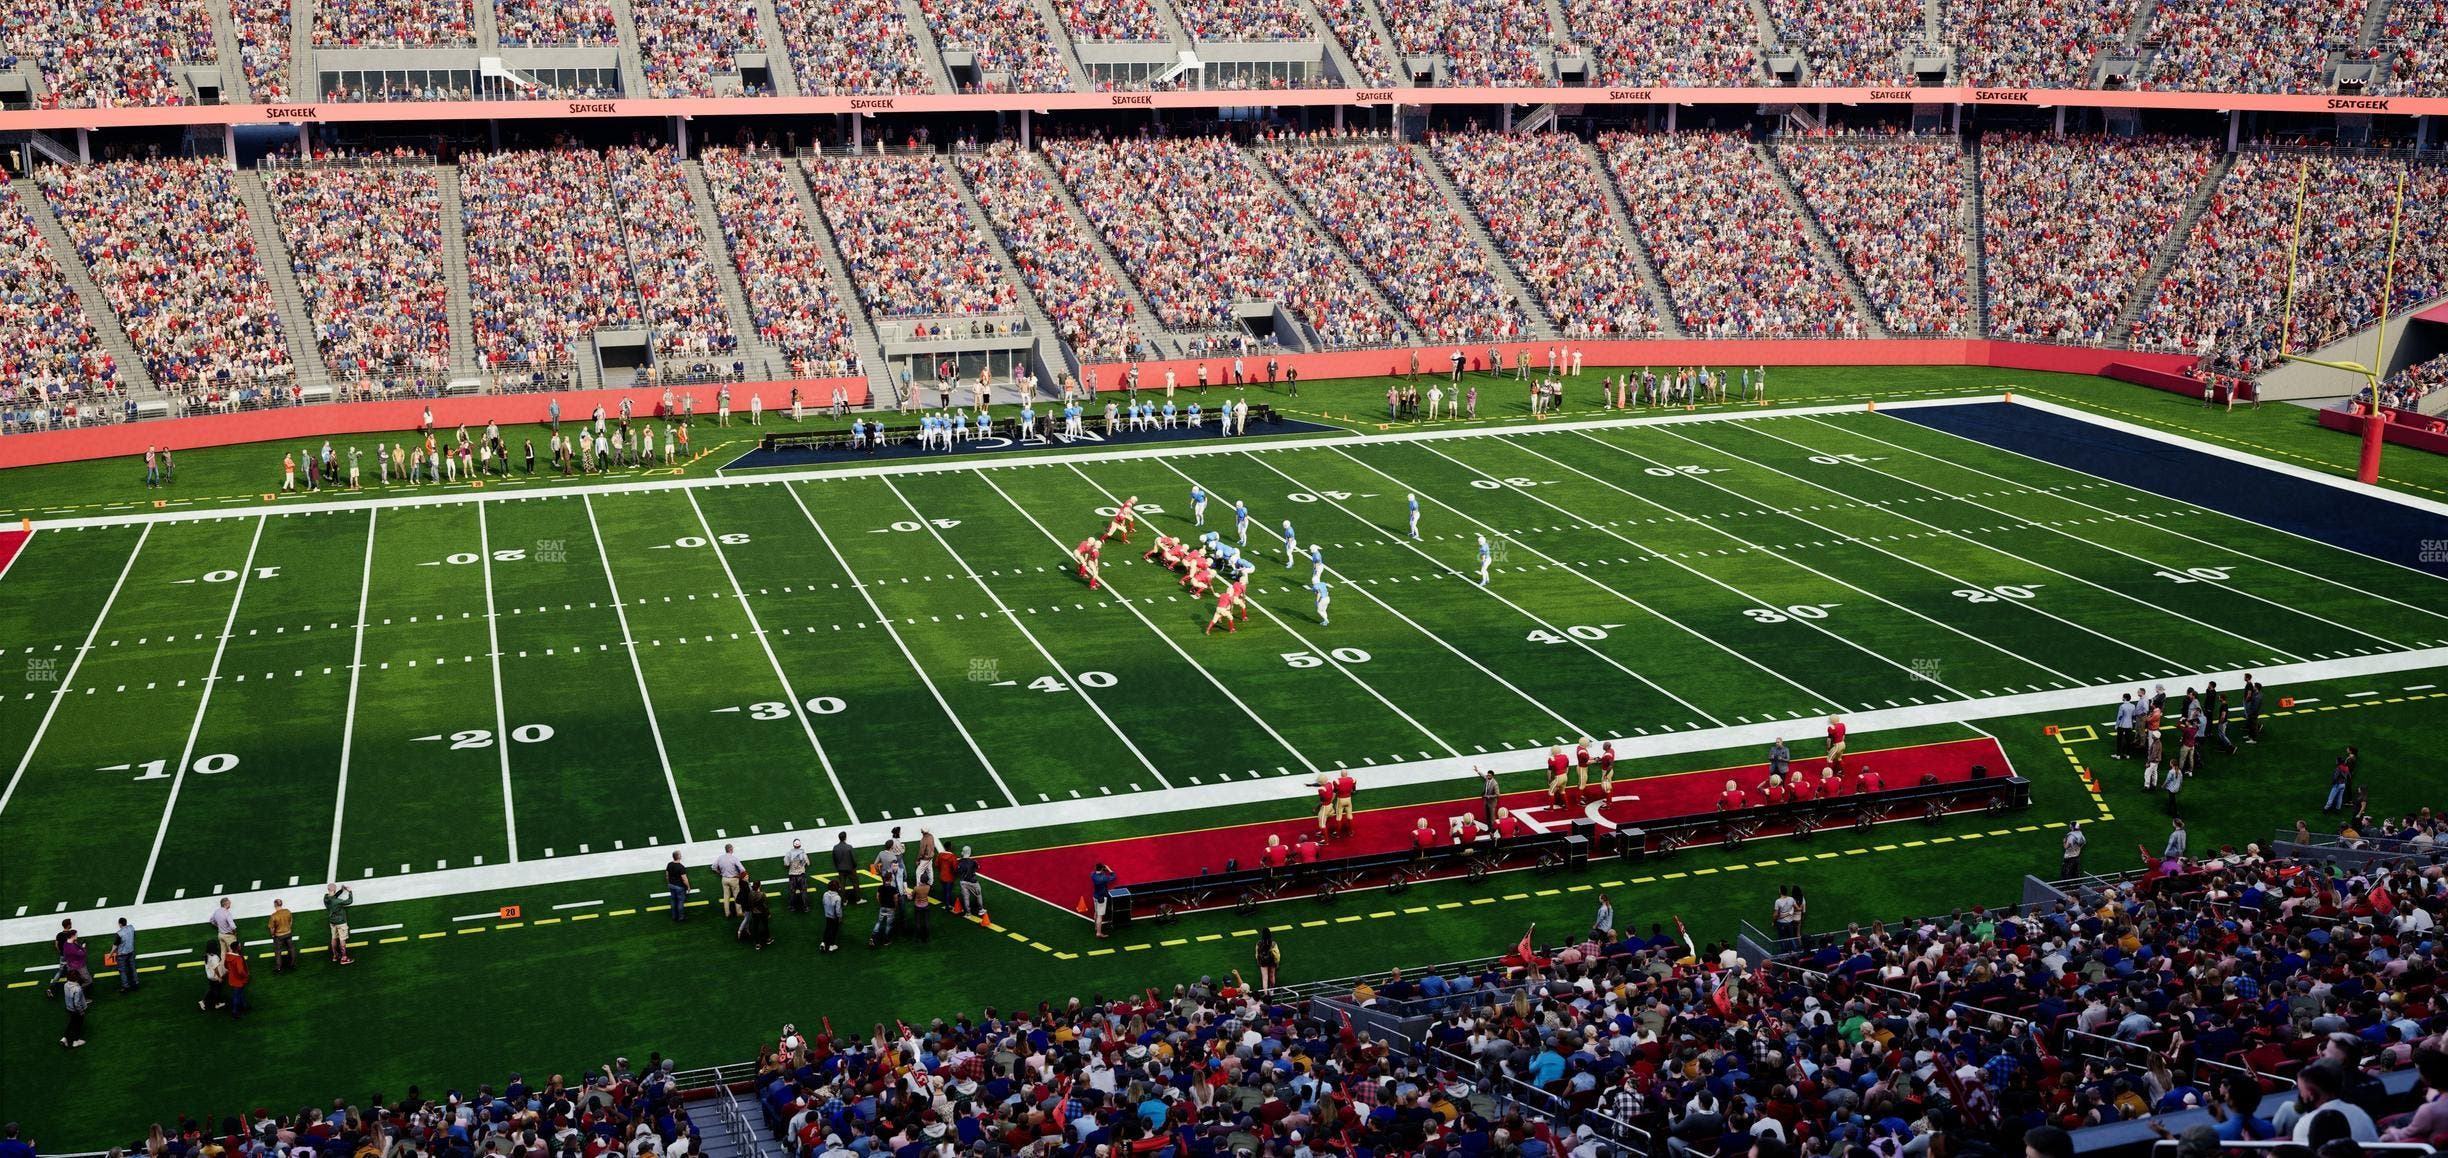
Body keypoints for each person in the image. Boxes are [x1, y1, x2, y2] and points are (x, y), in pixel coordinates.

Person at [737, 877, 772, 949]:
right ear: (759, 886)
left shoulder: (751, 894)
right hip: (762, 913)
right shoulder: (762, 894)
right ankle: (768, 939)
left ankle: (757, 944)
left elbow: (750, 903)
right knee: (765, 926)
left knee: (755, 928)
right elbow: (765, 906)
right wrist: (768, 913)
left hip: (754, 913)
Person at [324, 883, 354, 965]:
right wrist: (350, 892)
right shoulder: (337, 902)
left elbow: (333, 897)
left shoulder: (326, 898)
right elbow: (349, 901)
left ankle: (335, 955)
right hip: (341, 922)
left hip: (332, 921)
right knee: (342, 939)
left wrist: (341, 891)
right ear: (334, 889)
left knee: (334, 938)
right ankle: (344, 958)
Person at [714, 843, 745, 918]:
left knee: (726, 897)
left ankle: (727, 913)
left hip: (724, 879)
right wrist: (739, 876)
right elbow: (742, 869)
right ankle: (739, 912)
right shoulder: (734, 858)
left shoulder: (720, 858)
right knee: (737, 896)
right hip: (734, 879)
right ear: (731, 849)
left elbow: (714, 867)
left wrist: (720, 873)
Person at [830, 832, 860, 905]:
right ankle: (858, 899)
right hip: (850, 869)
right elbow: (854, 859)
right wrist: (854, 866)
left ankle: (844, 901)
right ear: (845, 838)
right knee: (855, 883)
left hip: (840, 869)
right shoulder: (849, 847)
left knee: (842, 885)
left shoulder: (835, 847)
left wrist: (838, 867)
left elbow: (834, 859)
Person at [1090, 863, 1118, 939]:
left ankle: (1096, 927)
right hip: (1101, 898)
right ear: (1102, 869)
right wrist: (1108, 869)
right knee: (1100, 916)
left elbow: (1095, 872)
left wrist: (1102, 870)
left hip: (1095, 896)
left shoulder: (1093, 875)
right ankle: (1098, 933)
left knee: (1096, 912)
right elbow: (1114, 876)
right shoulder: (1104, 878)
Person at [61, 973, 89, 1049]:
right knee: (78, 1025)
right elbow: (77, 1003)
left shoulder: (66, 985)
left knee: (71, 1023)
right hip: (76, 1010)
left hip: (69, 1008)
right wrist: (81, 1012)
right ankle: (76, 1041)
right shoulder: (77, 989)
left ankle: (65, 1038)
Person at [954, 846, 983, 918]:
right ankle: (980, 910)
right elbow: (978, 867)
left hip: (963, 882)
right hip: (973, 882)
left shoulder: (959, 862)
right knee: (978, 895)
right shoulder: (973, 862)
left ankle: (968, 913)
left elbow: (957, 871)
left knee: (966, 898)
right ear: (969, 852)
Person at [223, 943, 251, 1018]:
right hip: (239, 980)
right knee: (237, 995)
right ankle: (235, 1011)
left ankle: (243, 1005)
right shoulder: (238, 958)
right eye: (239, 946)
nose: (240, 947)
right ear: (237, 948)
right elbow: (241, 971)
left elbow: (225, 965)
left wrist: (232, 971)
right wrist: (246, 975)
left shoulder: (228, 956)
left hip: (232, 978)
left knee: (239, 993)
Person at [783, 840, 810, 914]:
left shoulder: (789, 853)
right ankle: (805, 907)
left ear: (793, 845)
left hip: (792, 876)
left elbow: (786, 864)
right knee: (803, 892)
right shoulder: (803, 853)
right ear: (800, 845)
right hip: (801, 875)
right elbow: (808, 863)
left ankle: (792, 906)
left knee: (792, 892)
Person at [664, 852, 691, 922]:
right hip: (679, 887)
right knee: (680, 902)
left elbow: (667, 875)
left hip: (671, 885)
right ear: (678, 857)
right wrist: (688, 887)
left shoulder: (669, 864)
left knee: (673, 900)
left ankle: (674, 916)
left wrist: (669, 883)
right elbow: (684, 879)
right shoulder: (681, 867)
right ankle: (681, 917)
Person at [819, 880, 843, 952]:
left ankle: (823, 943)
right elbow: (838, 910)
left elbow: (823, 902)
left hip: (827, 915)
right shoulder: (838, 898)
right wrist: (840, 917)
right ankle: (831, 945)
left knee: (827, 929)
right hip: (834, 917)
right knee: (834, 930)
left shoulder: (825, 894)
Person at [1255, 927, 1281, 992]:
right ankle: (1272, 991)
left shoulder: (1259, 943)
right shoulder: (1273, 943)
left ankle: (1265, 993)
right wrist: (1277, 962)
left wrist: (1258, 961)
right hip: (1271, 960)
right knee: (1272, 976)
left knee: (1265, 978)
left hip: (1263, 961)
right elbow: (1277, 954)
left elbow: (1257, 954)